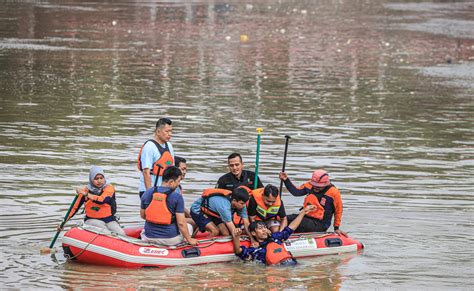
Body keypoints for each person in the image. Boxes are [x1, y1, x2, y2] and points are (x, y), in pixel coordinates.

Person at [232, 205, 315, 266]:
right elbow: (239, 251)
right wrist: (236, 237)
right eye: (260, 228)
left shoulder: (275, 237)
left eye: (265, 227)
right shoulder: (256, 250)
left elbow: (291, 228)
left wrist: (303, 212)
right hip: (277, 270)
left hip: (293, 264)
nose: (264, 229)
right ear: (253, 233)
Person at [140, 166, 198, 246]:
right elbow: (181, 223)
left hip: (148, 237)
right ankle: (185, 245)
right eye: (178, 181)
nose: (178, 184)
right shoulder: (177, 197)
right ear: (171, 182)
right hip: (170, 240)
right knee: (189, 226)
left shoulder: (147, 193)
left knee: (143, 231)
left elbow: (143, 216)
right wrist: (189, 239)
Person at [279, 169, 345, 235]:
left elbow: (338, 210)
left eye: (319, 187)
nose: (316, 188)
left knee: (299, 223)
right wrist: (286, 180)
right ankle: (278, 233)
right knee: (283, 219)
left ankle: (284, 234)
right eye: (314, 186)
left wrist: (336, 228)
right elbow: (296, 192)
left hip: (320, 224)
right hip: (305, 217)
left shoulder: (334, 193)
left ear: (325, 184)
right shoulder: (309, 185)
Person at [64, 166, 125, 235]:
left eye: (101, 178)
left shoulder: (109, 188)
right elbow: (74, 208)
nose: (99, 181)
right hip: (91, 220)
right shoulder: (85, 191)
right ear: (91, 179)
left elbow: (102, 200)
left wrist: (86, 194)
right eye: (96, 179)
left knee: (121, 233)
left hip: (109, 220)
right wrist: (63, 223)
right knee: (106, 233)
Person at [137, 118, 174, 198]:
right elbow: (146, 172)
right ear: (158, 132)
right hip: (149, 191)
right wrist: (150, 195)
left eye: (171, 131)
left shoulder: (169, 146)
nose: (170, 134)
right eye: (167, 131)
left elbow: (172, 169)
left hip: (165, 190)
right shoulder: (149, 147)